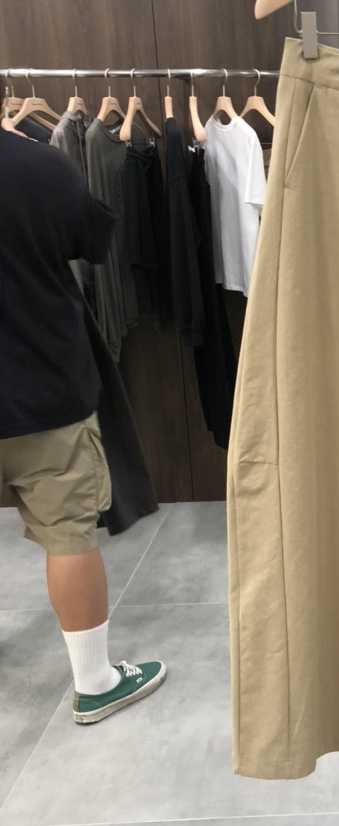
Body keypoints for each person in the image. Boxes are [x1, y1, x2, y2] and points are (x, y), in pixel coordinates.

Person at [0, 110, 166, 723]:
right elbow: (93, 241)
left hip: (41, 382)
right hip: (40, 381)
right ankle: (94, 682)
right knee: (67, 533)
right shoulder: (39, 166)